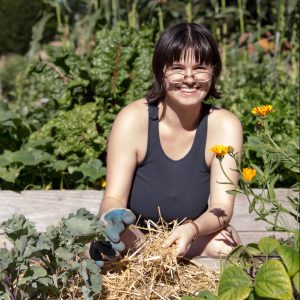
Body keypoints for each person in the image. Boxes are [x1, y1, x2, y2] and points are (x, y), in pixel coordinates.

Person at [90, 22, 243, 265]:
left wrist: (192, 229)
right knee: (109, 242)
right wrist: (113, 217)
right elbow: (114, 198)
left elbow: (222, 209)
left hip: (193, 236)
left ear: (213, 71)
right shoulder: (133, 119)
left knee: (227, 243)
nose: (190, 79)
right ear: (161, 71)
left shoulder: (224, 125)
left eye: (200, 68)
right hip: (138, 239)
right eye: (177, 68)